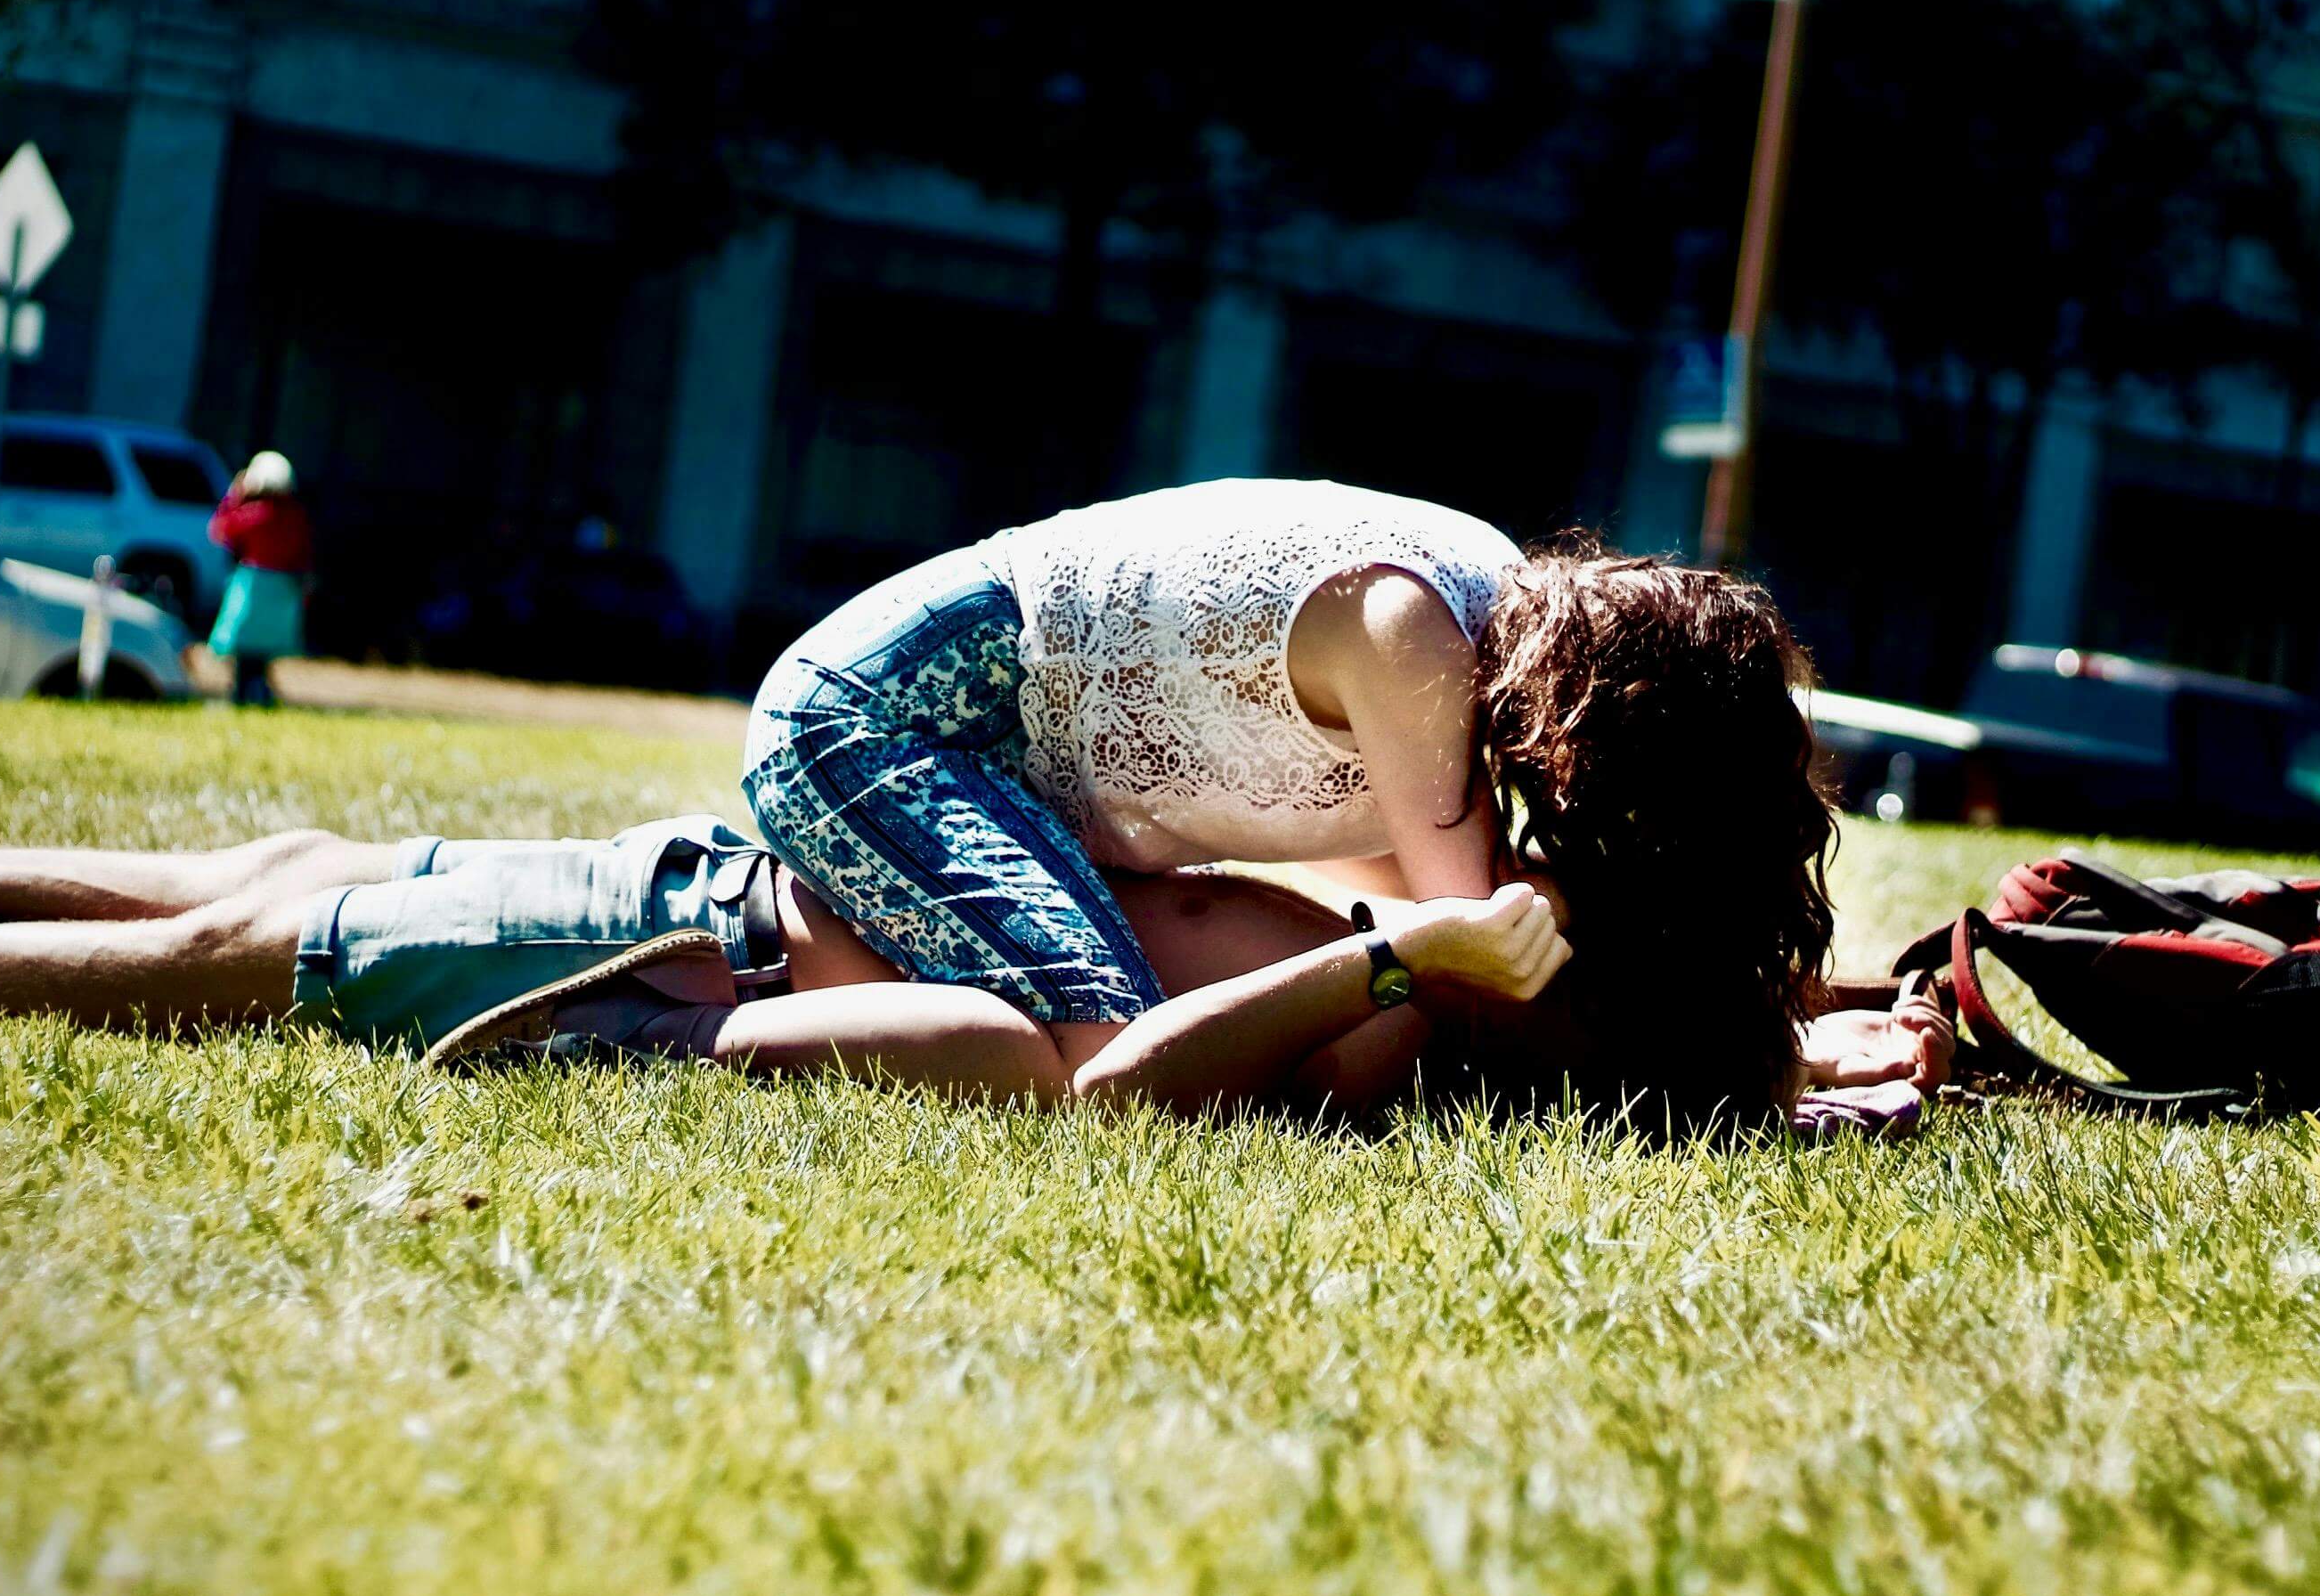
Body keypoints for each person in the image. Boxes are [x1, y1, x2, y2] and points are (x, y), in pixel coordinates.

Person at [0, 640, 1945, 1124]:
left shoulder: (1387, 1025)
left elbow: (1103, 1082)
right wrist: (1832, 1030)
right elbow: (1717, 1021)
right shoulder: (1483, 942)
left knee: (279, 947)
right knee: (289, 857)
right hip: (742, 870)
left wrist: (1382, 945)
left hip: (699, 944)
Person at [738, 481, 1844, 1131]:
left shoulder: (1487, 614)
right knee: (1115, 1060)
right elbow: (1477, 950)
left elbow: (1450, 909)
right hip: (874, 727)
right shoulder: (1415, 637)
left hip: (983, 750)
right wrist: (1762, 1051)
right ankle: (669, 1037)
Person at [206, 452, 312, 708]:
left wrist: (235, 495)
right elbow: (304, 553)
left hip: (254, 587)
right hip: (284, 588)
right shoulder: (295, 515)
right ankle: (258, 694)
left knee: (247, 654)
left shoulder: (257, 514)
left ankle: (245, 695)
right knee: (260, 657)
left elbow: (219, 529)